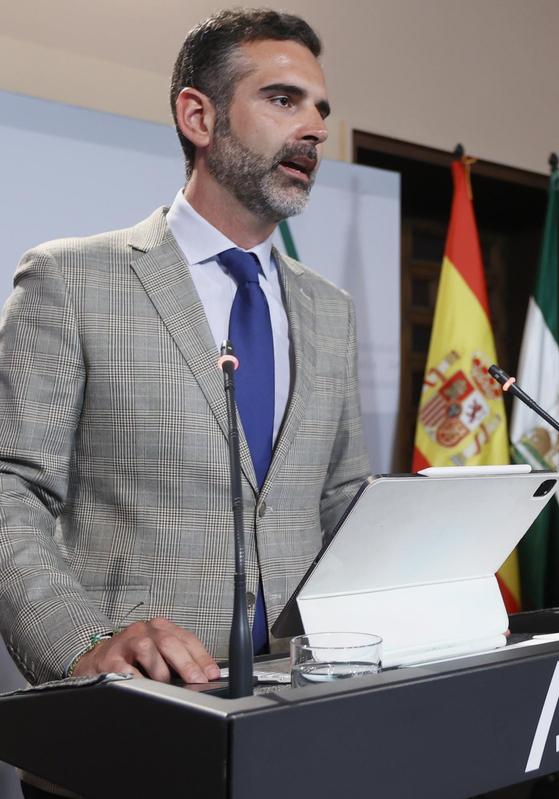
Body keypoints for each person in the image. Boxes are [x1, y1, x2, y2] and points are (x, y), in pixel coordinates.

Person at [0, 5, 369, 705]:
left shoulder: (331, 309)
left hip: (308, 706)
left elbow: (340, 498)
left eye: (320, 109)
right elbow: (9, 488)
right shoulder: (71, 279)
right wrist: (81, 644)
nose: (315, 128)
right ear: (198, 118)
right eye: (283, 99)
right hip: (139, 710)